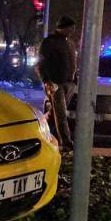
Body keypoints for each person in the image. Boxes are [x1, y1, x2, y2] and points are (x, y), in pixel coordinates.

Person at [37, 16, 78, 152]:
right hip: (55, 82)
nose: (73, 30)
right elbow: (40, 63)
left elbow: (73, 62)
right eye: (71, 28)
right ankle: (66, 143)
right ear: (64, 27)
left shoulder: (70, 43)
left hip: (69, 83)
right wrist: (46, 81)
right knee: (61, 113)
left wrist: (74, 79)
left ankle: (39, 129)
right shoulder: (49, 42)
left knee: (55, 111)